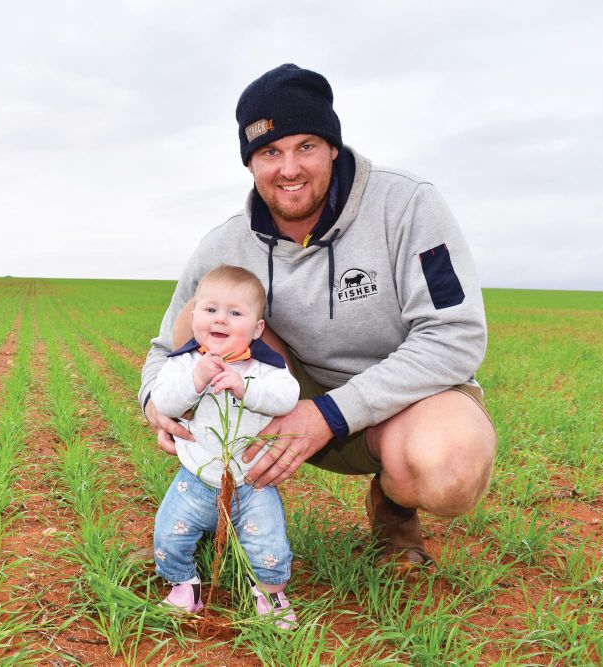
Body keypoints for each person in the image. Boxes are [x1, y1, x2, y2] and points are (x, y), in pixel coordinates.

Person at [140, 64, 497, 580]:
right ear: (250, 163)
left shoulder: (409, 206)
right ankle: (197, 519)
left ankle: (393, 509)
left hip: (400, 403)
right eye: (269, 153)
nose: (289, 168)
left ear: (333, 146)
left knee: (450, 468)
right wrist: (156, 403)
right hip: (282, 395)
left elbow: (454, 335)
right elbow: (161, 350)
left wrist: (330, 415)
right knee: (197, 320)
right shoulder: (224, 245)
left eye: (306, 145)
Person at [151, 265, 299, 628]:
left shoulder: (264, 366)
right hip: (196, 477)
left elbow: (288, 395)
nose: (221, 319)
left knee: (269, 547)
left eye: (235, 313)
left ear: (257, 328)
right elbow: (164, 400)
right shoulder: (182, 362)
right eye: (210, 309)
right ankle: (185, 584)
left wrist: (245, 387)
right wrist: (196, 379)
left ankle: (269, 591)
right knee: (169, 535)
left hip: (252, 482)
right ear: (194, 314)